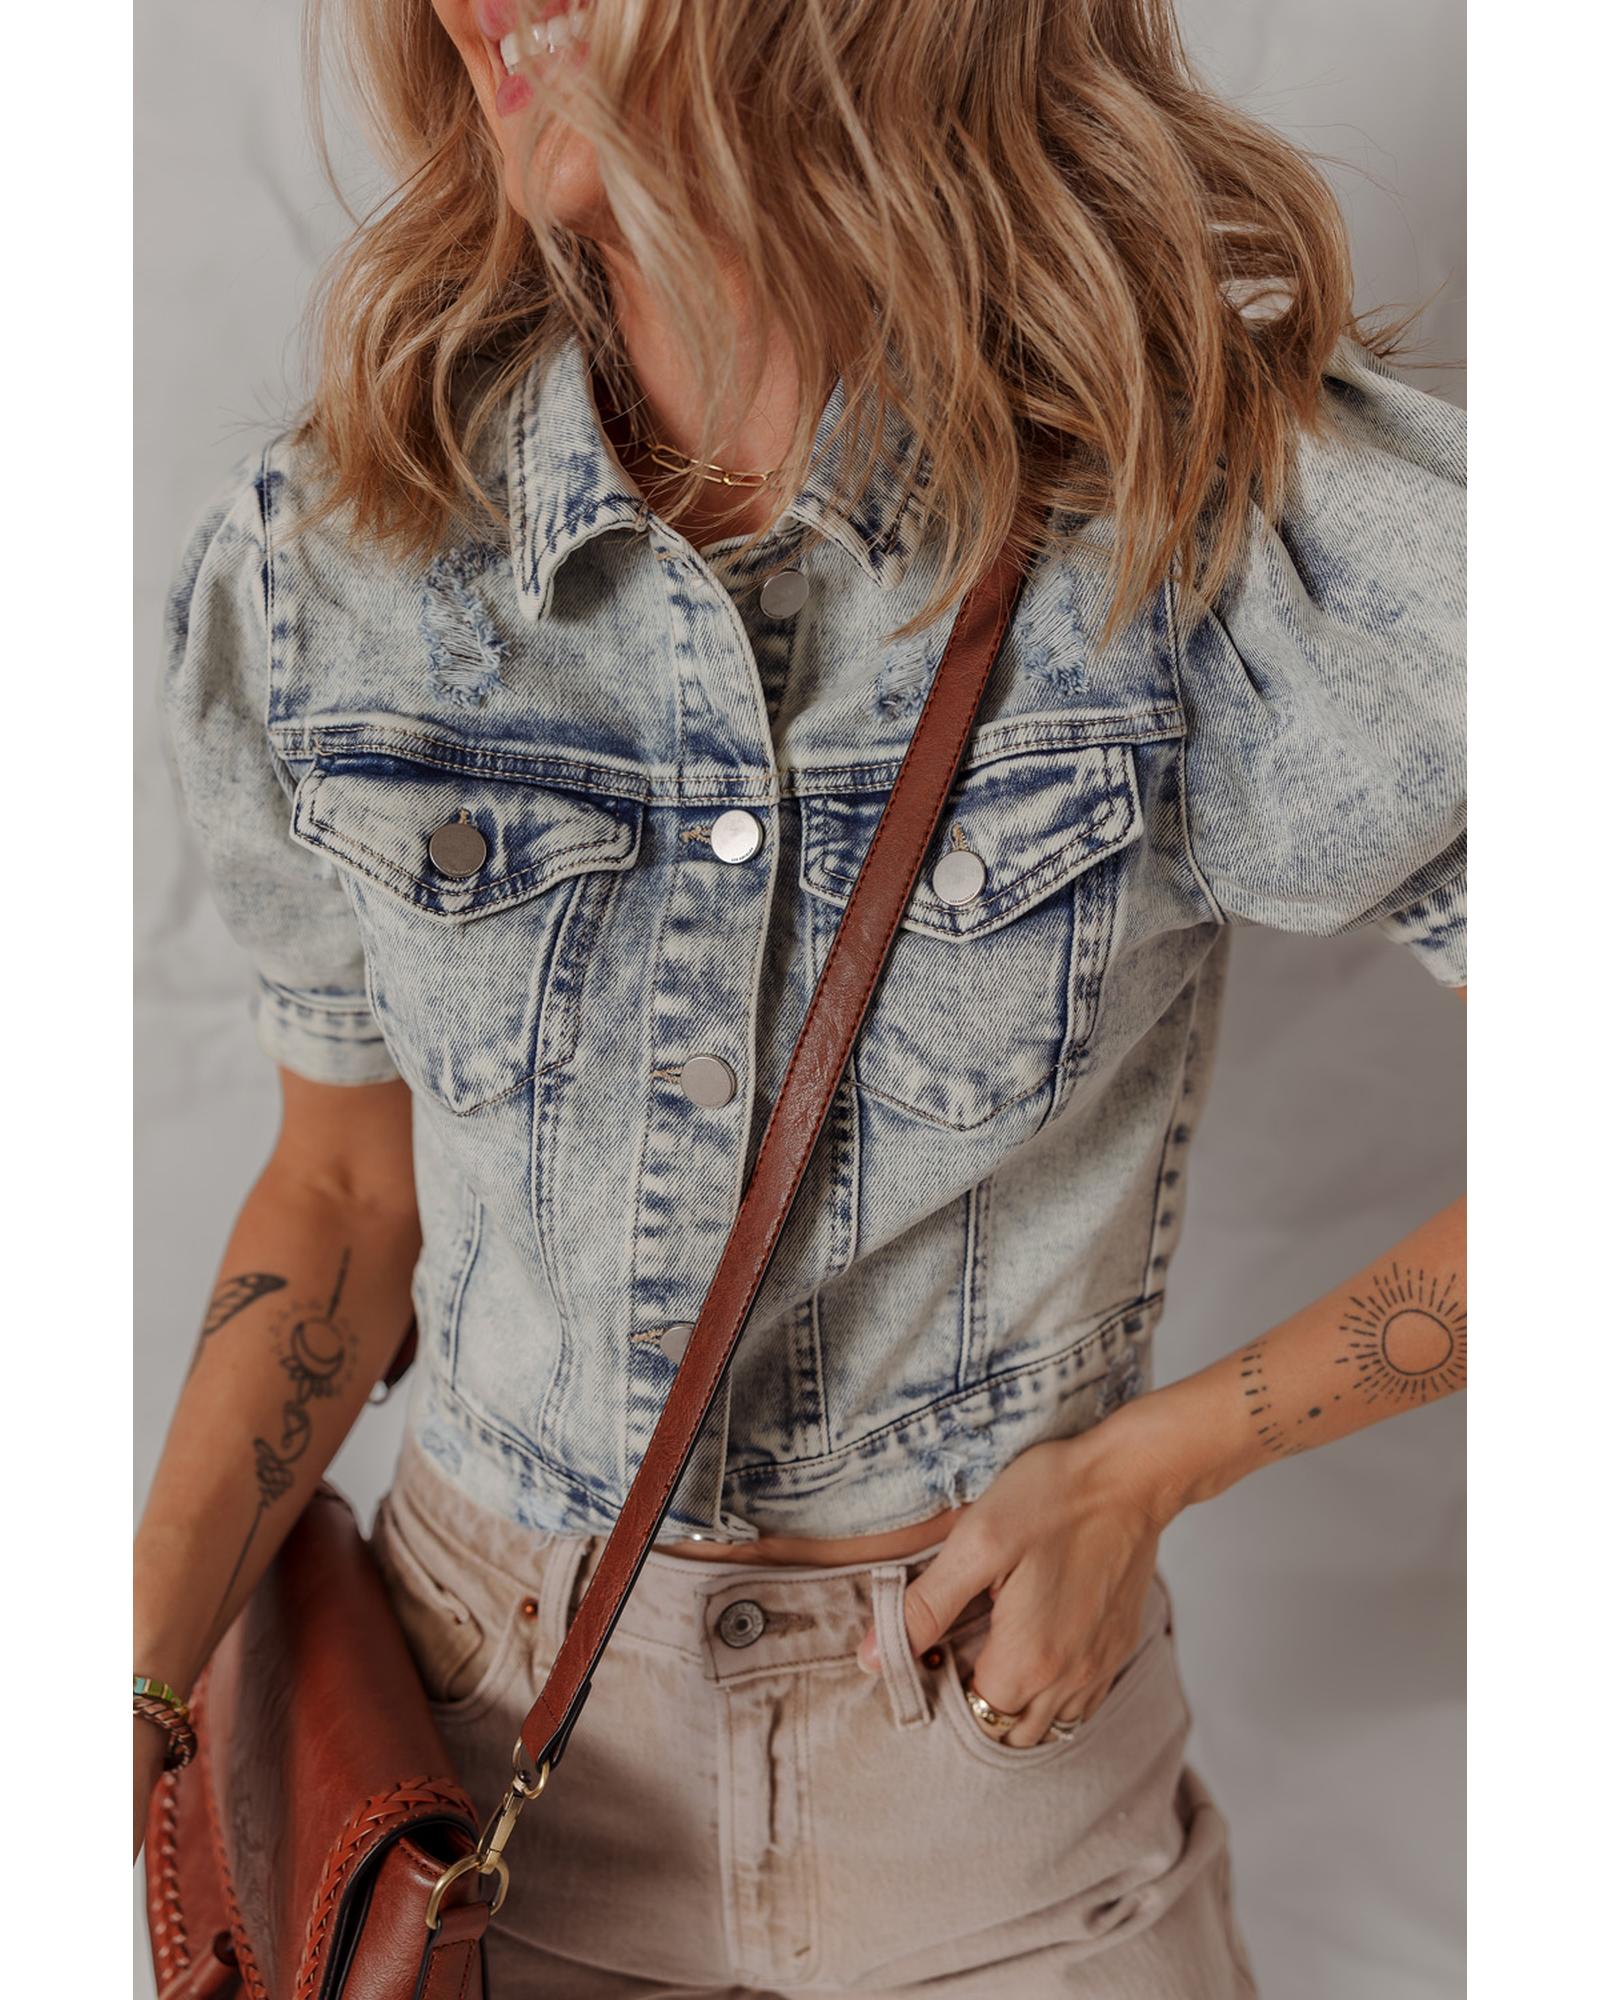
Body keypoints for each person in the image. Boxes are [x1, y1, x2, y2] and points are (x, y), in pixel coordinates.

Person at [134, 2, 1466, 1992]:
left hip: (987, 1781)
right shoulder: (345, 553)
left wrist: (1147, 1470)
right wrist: (134, 1679)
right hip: (472, 1775)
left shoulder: (1202, 521)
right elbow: (338, 1190)